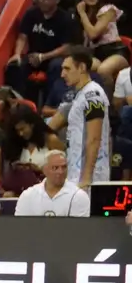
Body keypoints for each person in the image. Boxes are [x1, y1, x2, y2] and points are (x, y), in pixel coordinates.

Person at [49, 47, 111, 190]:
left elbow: (94, 138)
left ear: (82, 67)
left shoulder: (92, 95)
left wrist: (86, 178)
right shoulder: (81, 95)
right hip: (77, 172)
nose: (62, 74)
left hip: (88, 176)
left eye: (67, 68)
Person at [13, 149, 91, 215]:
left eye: (64, 167)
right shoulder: (28, 196)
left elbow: (79, 227)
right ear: (44, 170)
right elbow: (20, 225)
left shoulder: (79, 196)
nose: (60, 172)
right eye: (55, 168)